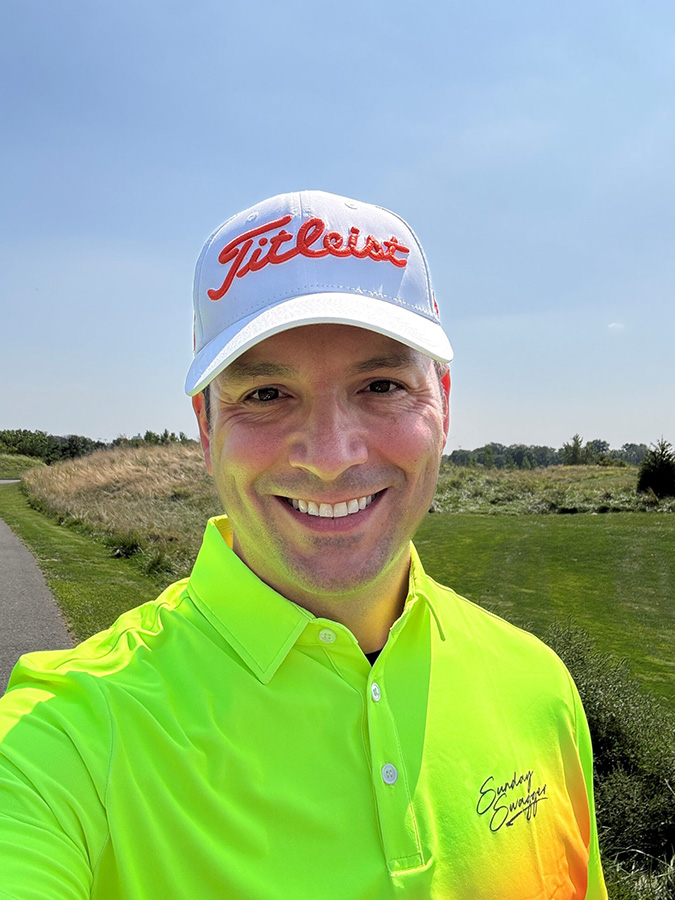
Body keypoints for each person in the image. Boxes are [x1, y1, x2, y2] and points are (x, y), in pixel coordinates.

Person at [0, 190, 607, 899]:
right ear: (204, 427)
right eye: (265, 395)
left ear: (442, 402)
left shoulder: (537, 684)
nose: (328, 456)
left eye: (380, 385)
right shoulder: (68, 735)